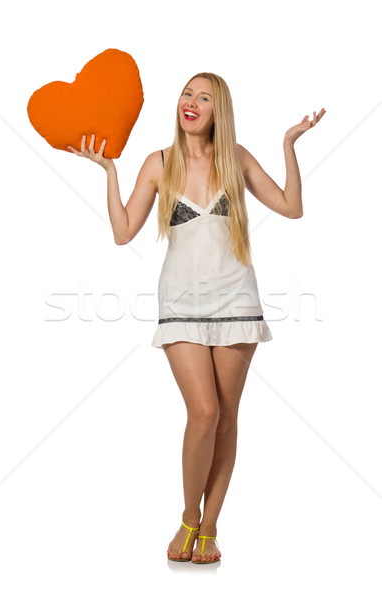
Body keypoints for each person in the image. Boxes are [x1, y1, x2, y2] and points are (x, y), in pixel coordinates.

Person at [67, 73, 326, 564]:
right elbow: (123, 232)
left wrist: (289, 144)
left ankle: (210, 527)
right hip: (181, 305)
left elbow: (291, 207)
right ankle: (190, 516)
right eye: (188, 93)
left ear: (218, 111)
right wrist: (109, 172)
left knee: (226, 417)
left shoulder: (236, 158)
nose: (192, 102)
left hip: (236, 301)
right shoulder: (158, 163)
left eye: (204, 97)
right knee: (203, 412)